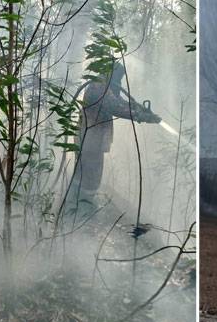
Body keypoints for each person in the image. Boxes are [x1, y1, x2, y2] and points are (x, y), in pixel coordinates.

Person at [66, 61, 160, 220]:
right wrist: (140, 116)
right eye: (119, 77)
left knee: (87, 172)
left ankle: (78, 207)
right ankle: (81, 210)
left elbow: (120, 102)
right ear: (111, 74)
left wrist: (140, 109)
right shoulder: (98, 87)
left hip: (91, 138)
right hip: (89, 138)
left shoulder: (103, 86)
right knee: (90, 174)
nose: (120, 82)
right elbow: (114, 106)